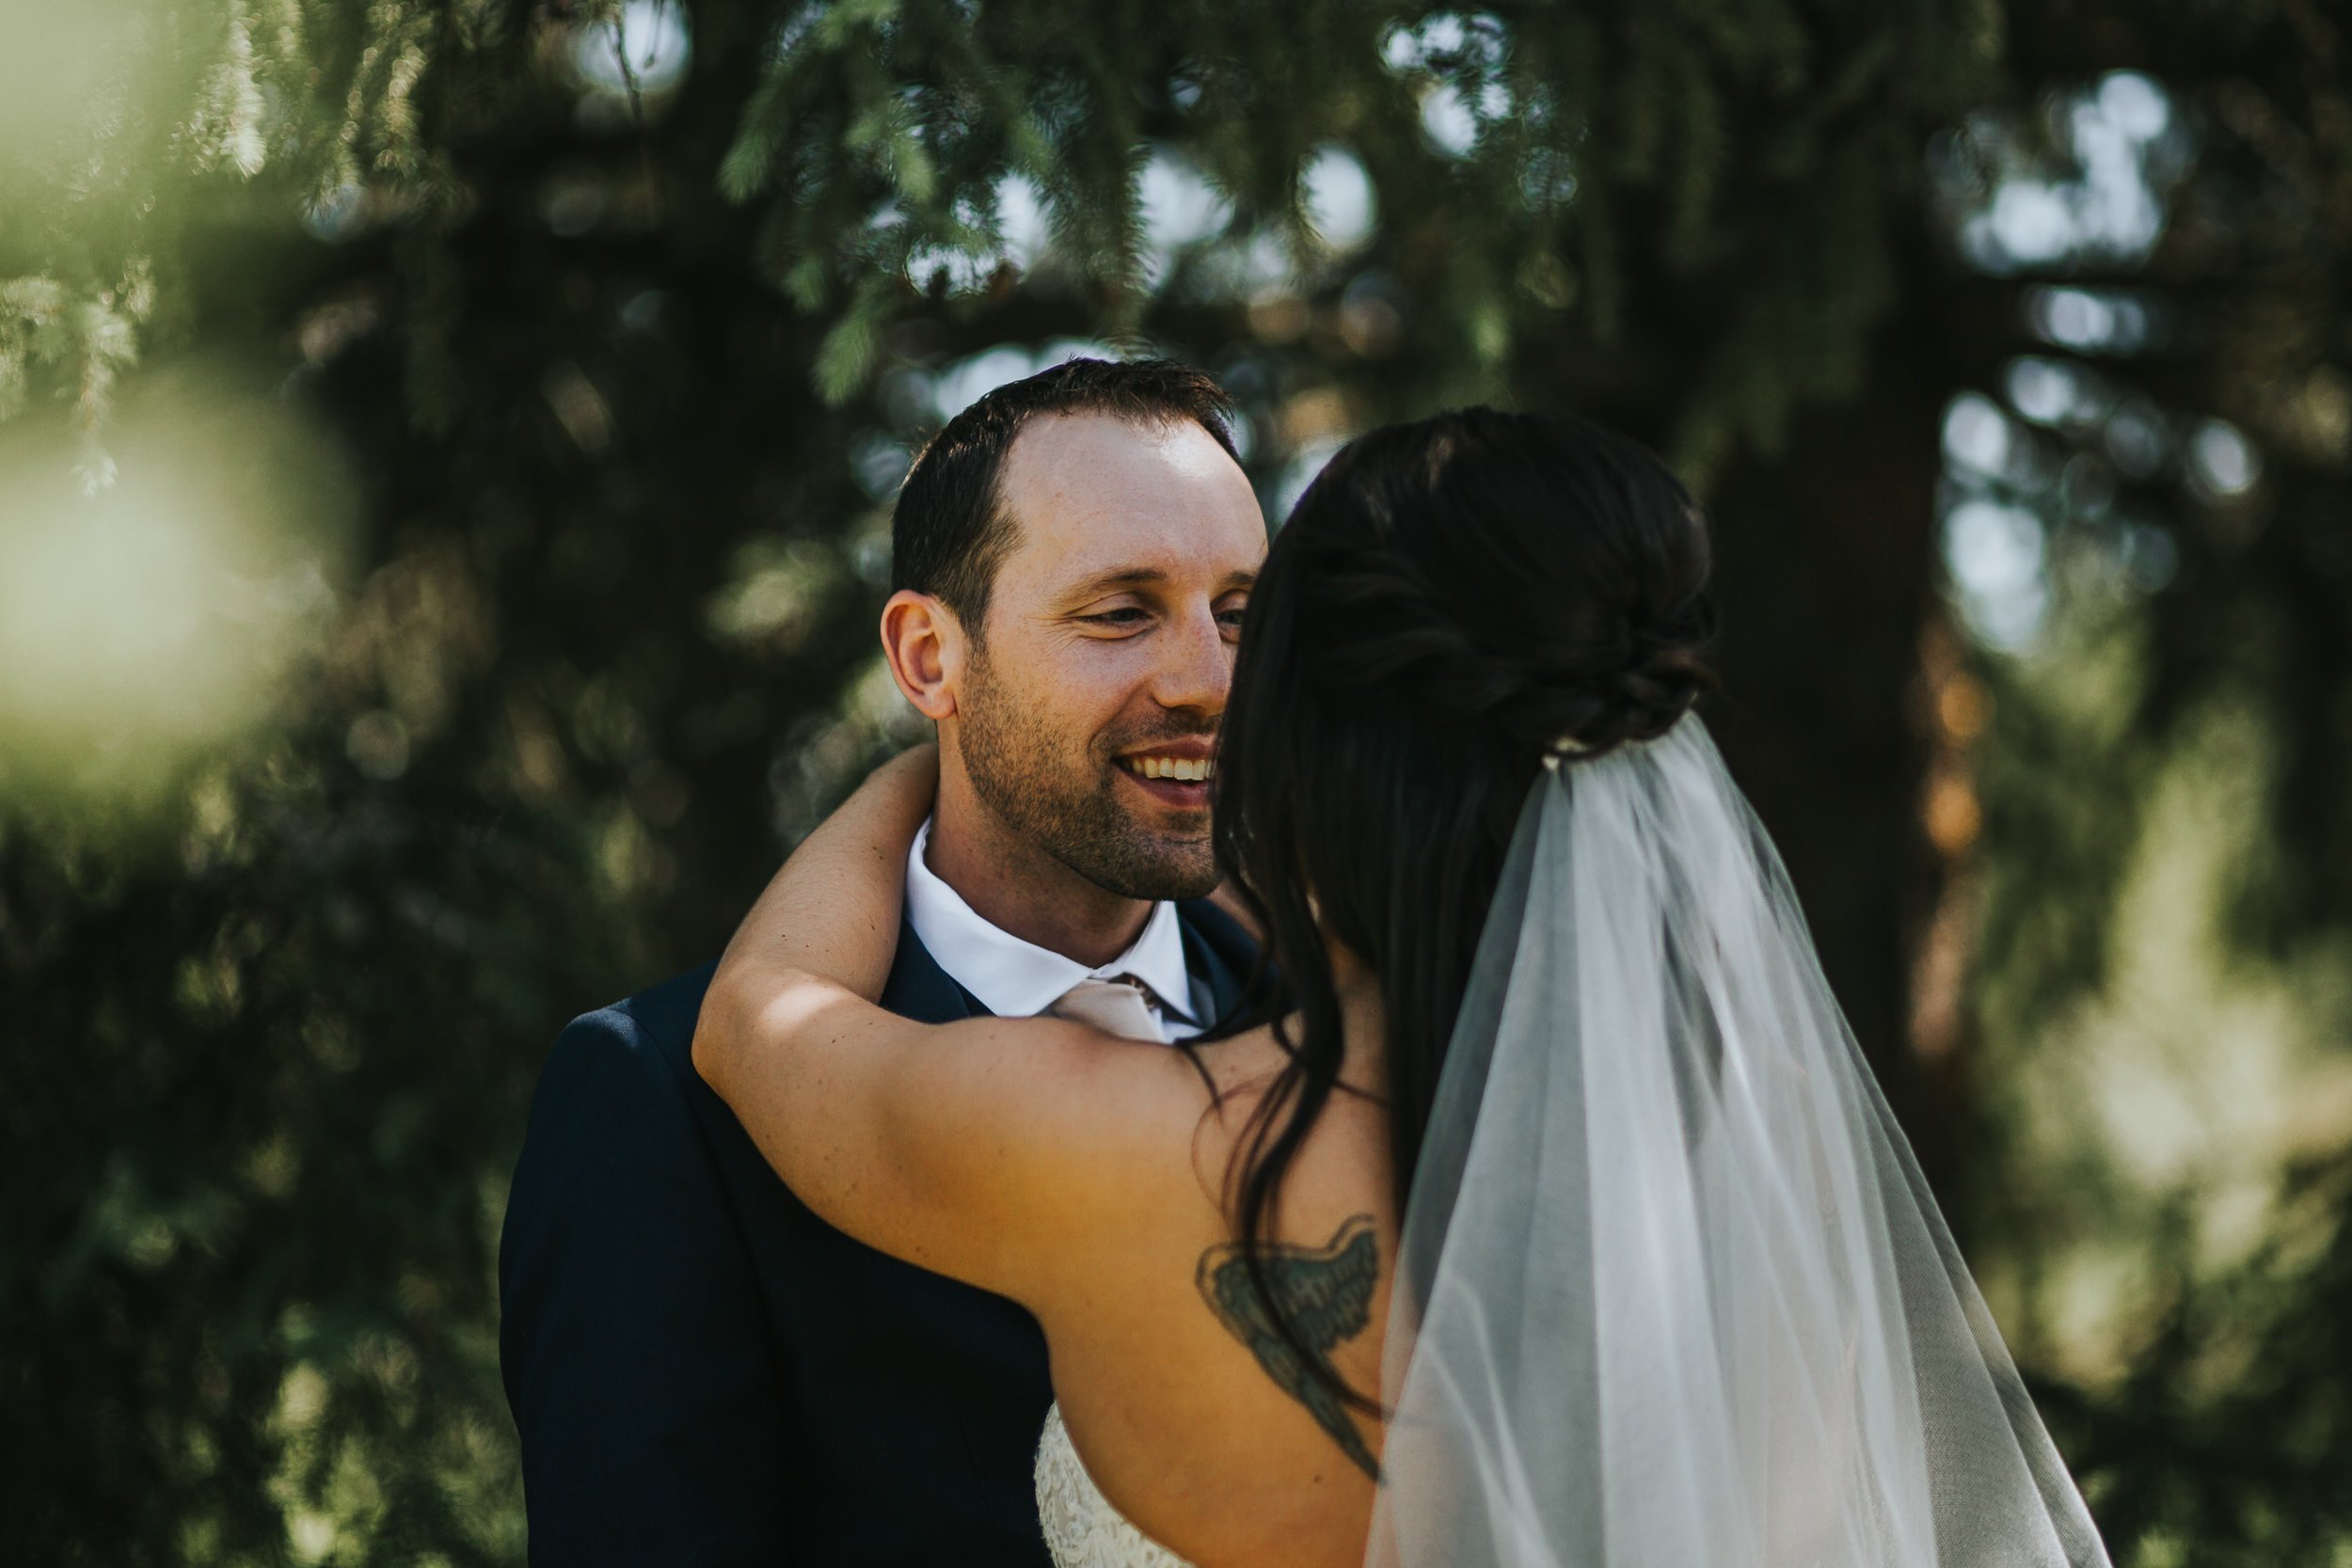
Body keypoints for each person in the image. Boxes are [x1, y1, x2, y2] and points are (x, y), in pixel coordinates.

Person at [694, 407, 2114, 1567]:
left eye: (1252, 630)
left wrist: (952, 738)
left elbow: (760, 1016)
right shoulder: (1762, 1130)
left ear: (1309, 748)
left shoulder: (1113, 1139)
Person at [498, 357, 1268, 1566]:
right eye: (1121, 610)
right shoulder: (662, 1099)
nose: (1208, 681)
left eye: (1239, 614)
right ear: (927, 659)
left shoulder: (1359, 1041)